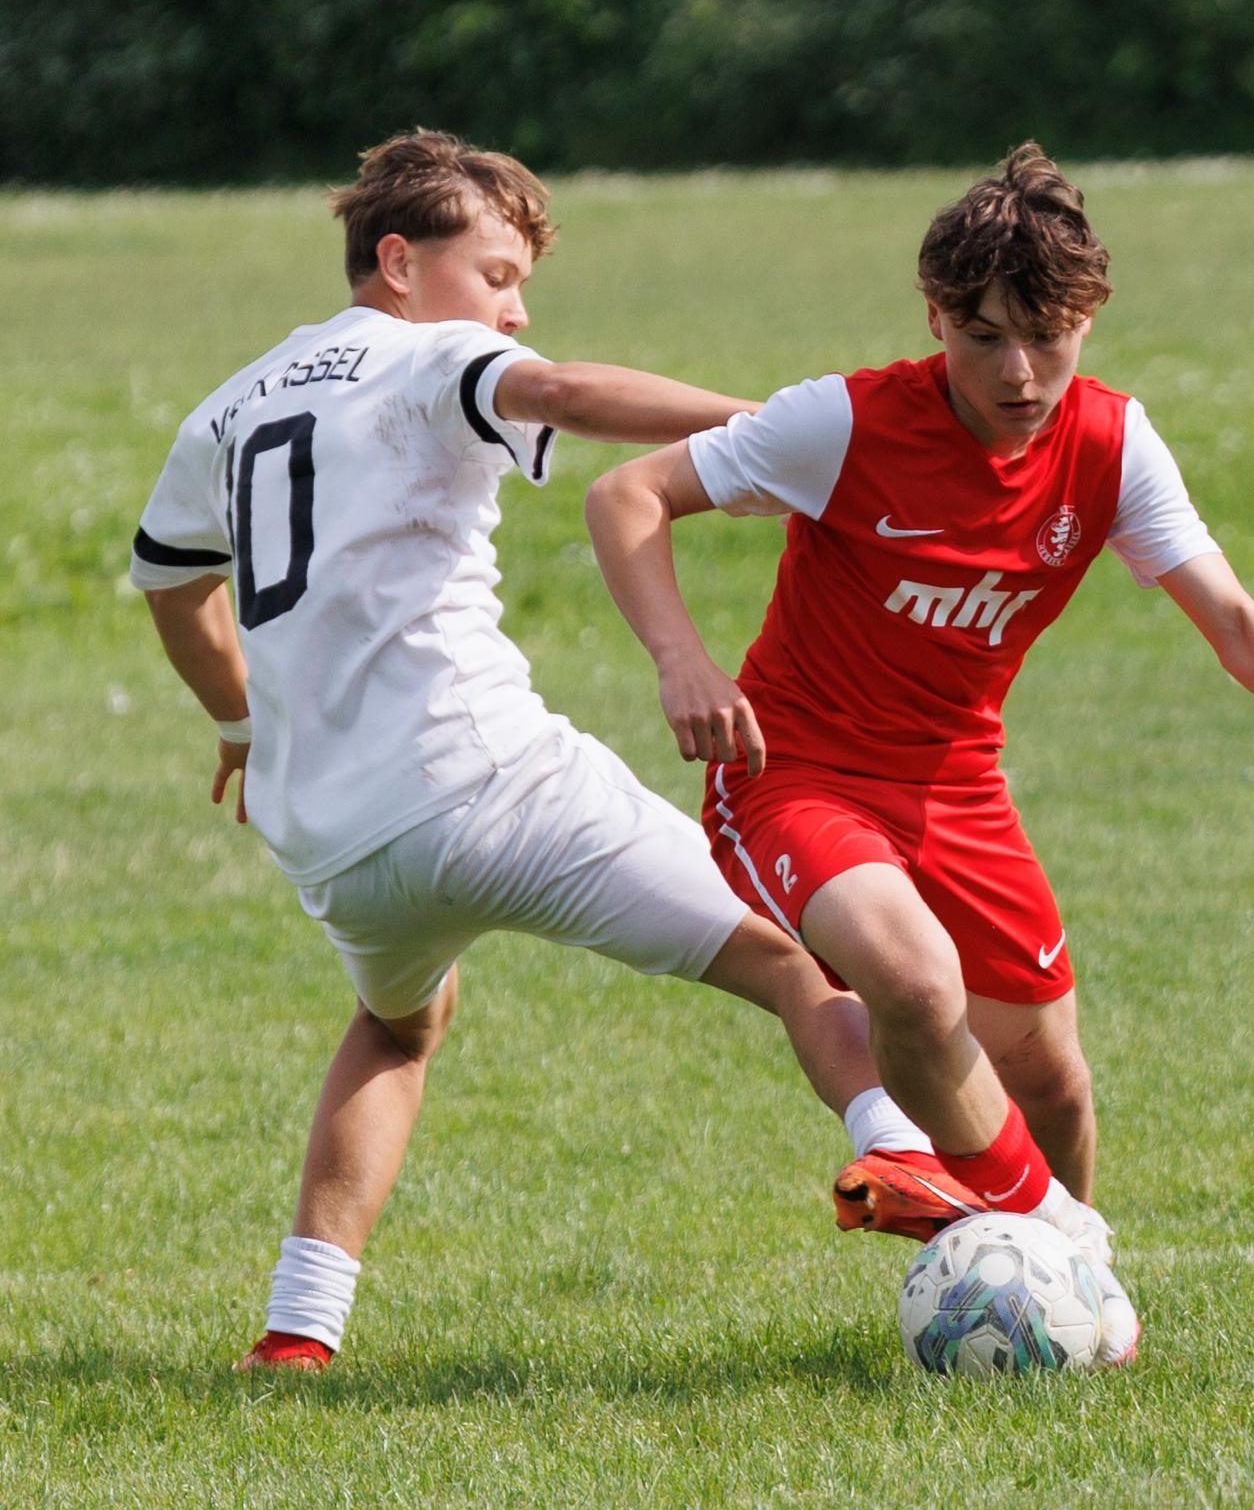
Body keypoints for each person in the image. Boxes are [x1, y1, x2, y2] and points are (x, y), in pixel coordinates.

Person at [585, 142, 1254, 1371]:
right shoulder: (844, 423)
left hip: (957, 783)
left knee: (1051, 1081)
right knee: (913, 986)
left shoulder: (1110, 445)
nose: (1018, 373)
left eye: (1046, 338)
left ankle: (1061, 1316)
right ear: (935, 320)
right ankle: (1061, 1240)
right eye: (983, 339)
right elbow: (626, 496)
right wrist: (681, 660)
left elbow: (1230, 613)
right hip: (793, 771)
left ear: (1088, 320)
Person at [129, 129, 889, 1371]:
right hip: (487, 784)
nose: (514, 310)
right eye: (495, 275)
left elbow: (173, 588)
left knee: (396, 1029)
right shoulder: (430, 352)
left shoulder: (227, 405)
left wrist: (237, 724)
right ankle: (901, 1152)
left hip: (332, 841)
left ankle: (298, 1331)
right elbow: (568, 394)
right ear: (397, 262)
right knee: (796, 954)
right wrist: (773, 433)